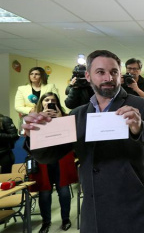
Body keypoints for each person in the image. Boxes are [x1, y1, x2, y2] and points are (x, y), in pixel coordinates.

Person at [22, 50, 144, 233]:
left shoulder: (141, 105)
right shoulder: (78, 114)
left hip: (132, 208)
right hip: (94, 210)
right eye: (100, 72)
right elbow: (49, 156)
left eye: (114, 72)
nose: (108, 77)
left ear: (120, 75)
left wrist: (140, 127)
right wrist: (34, 137)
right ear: (88, 76)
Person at [28, 92, 78, 233]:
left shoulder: (65, 116)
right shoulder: (34, 117)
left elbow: (71, 137)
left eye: (53, 100)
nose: (49, 102)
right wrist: (41, 118)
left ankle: (65, 219)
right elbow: (28, 139)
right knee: (44, 193)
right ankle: (46, 222)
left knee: (63, 191)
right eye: (46, 100)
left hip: (62, 159)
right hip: (43, 162)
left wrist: (61, 119)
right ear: (41, 103)